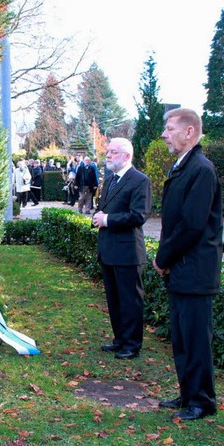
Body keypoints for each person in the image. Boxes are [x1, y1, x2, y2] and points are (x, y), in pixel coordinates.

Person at [153, 108, 222, 421]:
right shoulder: (184, 166)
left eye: (170, 128)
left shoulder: (202, 169)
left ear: (189, 131)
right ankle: (188, 394)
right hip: (182, 269)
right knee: (182, 338)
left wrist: (163, 258)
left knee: (195, 340)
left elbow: (192, 225)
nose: (165, 134)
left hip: (194, 270)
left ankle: (202, 401)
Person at [92, 138, 152, 360]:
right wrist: (98, 217)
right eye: (108, 151)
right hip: (108, 250)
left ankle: (132, 344)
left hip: (127, 253)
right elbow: (103, 208)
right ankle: (119, 340)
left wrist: (107, 220)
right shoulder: (110, 180)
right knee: (114, 299)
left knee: (129, 300)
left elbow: (139, 215)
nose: (107, 155)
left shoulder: (139, 181)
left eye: (113, 152)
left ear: (127, 156)